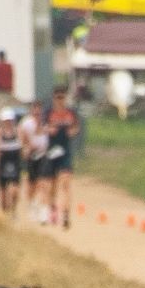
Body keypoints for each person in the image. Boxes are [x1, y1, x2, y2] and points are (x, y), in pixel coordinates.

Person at [43, 86, 82, 229]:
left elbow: (77, 127)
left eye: (62, 97)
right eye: (58, 97)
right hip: (53, 151)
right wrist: (49, 130)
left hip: (65, 151)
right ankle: (53, 207)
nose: (60, 100)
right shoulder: (48, 113)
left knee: (65, 183)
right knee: (53, 185)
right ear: (54, 98)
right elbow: (42, 127)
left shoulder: (70, 112)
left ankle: (66, 215)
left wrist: (73, 132)